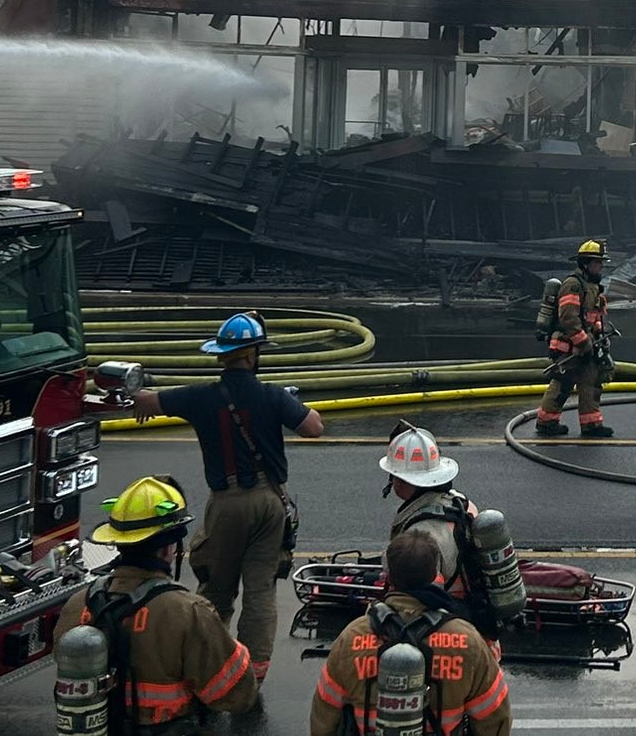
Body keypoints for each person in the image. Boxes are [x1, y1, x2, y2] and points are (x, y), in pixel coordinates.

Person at [133, 312, 325, 682]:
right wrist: (293, 404)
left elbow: (147, 401)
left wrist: (132, 391)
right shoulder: (272, 396)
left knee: (217, 587)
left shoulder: (199, 398)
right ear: (254, 354)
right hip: (271, 503)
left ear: (222, 355)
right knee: (260, 588)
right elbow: (314, 427)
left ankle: (210, 661)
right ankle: (254, 671)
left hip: (226, 503)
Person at [57, 476, 260, 729]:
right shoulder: (189, 613)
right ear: (168, 549)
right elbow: (237, 696)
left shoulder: (79, 604)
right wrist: (223, 642)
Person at [310, 533, 512, 736]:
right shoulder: (467, 640)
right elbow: (494, 718)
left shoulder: (352, 638)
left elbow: (325, 715)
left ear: (389, 577)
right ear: (435, 575)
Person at [381, 423, 490, 625]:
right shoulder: (461, 504)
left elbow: (418, 604)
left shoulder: (420, 535)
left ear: (403, 480)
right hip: (478, 617)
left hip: (454, 627)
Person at [537, 239, 614, 438]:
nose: (601, 266)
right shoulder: (573, 285)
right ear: (586, 264)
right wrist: (582, 341)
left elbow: (594, 317)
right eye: (597, 263)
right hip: (567, 346)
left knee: (591, 383)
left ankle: (591, 425)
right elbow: (568, 318)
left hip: (586, 345)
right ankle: (546, 422)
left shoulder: (593, 287)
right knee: (562, 384)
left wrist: (600, 336)